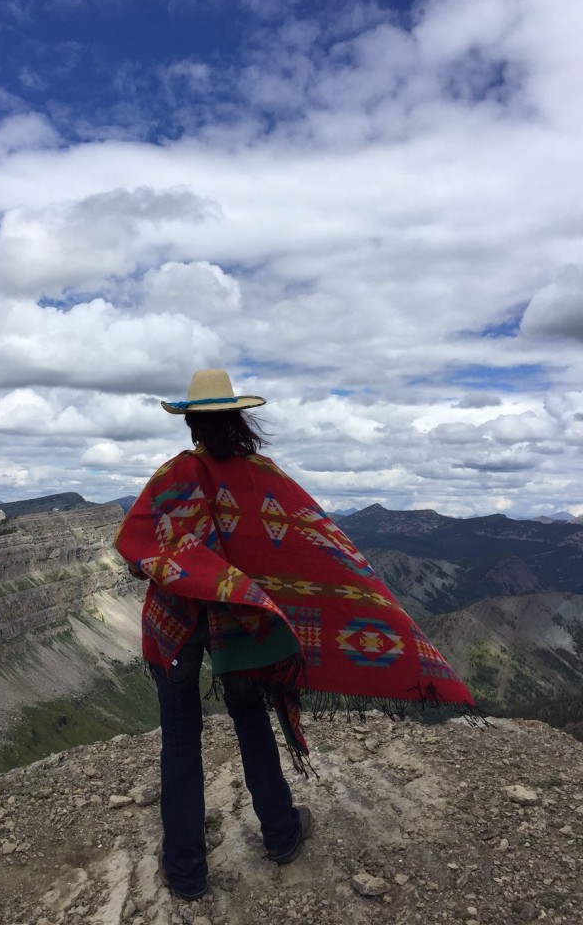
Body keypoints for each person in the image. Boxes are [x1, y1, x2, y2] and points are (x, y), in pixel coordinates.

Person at [115, 368, 475, 901]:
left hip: (177, 627)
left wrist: (180, 567)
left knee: (180, 740)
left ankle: (186, 871)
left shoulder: (172, 478)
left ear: (190, 422)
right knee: (251, 721)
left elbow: (137, 550)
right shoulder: (264, 477)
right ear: (240, 419)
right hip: (242, 628)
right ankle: (282, 835)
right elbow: (311, 540)